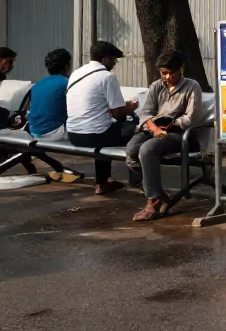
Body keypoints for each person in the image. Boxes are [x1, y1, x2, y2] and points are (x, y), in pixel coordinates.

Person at [124, 50, 204, 221]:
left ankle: (151, 201)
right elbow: (146, 112)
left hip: (179, 136)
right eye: (163, 73)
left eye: (169, 73)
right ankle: (158, 193)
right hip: (155, 130)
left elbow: (192, 117)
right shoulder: (157, 86)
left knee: (147, 149)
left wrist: (172, 124)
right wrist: (154, 128)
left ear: (180, 69)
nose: (166, 77)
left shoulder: (192, 87)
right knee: (131, 149)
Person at [66, 40, 139, 195]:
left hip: (73, 134)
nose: (114, 64)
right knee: (139, 131)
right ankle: (138, 177)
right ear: (105, 59)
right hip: (94, 135)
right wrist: (131, 107)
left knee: (106, 126)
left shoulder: (76, 74)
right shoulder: (107, 77)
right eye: (113, 60)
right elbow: (118, 113)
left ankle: (103, 182)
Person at [7, 49, 79, 180]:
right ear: (67, 66)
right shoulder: (68, 83)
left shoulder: (38, 85)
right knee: (98, 127)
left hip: (35, 132)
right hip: (55, 133)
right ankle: (105, 179)